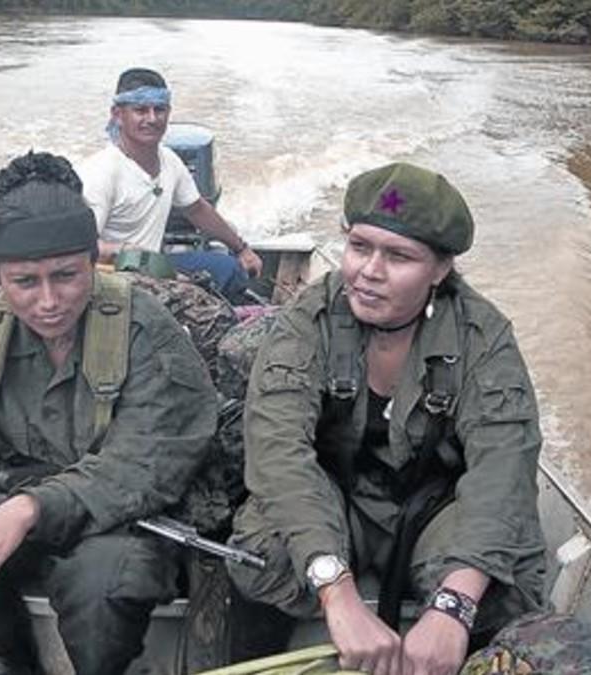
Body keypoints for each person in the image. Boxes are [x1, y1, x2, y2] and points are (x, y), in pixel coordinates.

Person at [0, 151, 218, 674]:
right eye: (24, 282)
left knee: (107, 586)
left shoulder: (145, 330)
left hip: (114, 515)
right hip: (14, 492)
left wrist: (29, 509)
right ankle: (8, 660)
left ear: (94, 261)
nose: (48, 301)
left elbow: (144, 463)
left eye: (66, 275)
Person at [226, 163, 548, 674]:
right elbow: (278, 455)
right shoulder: (306, 324)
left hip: (436, 511)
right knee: (261, 550)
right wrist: (336, 591)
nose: (369, 271)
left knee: (506, 583)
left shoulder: (483, 338)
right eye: (359, 247)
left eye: (398, 256)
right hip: (335, 502)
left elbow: (503, 472)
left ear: (440, 269)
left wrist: (453, 608)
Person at [78, 67, 263, 301]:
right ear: (117, 114)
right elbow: (81, 247)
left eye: (160, 110)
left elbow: (197, 209)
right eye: (140, 110)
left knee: (230, 270)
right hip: (113, 280)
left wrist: (241, 249)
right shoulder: (101, 172)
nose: (152, 119)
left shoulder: (170, 161)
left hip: (156, 270)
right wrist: (128, 253)